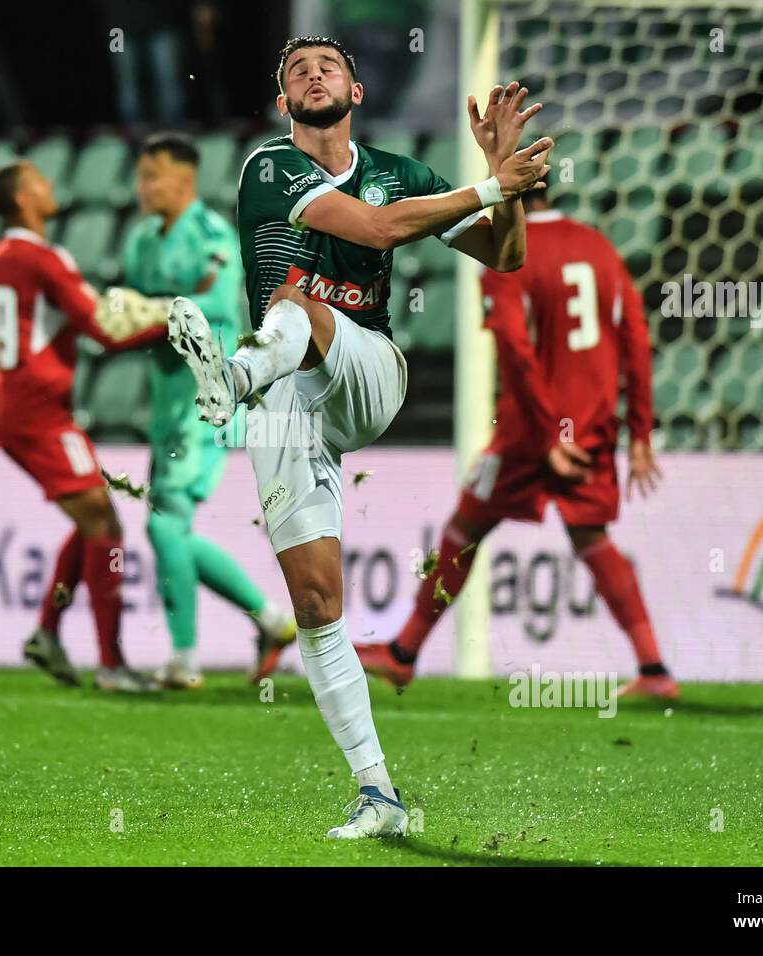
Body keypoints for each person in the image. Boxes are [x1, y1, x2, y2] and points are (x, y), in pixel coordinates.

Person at [166, 35, 550, 837]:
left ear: (357, 90)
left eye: (327, 66)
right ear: (283, 103)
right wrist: (487, 184)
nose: (313, 74)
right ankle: (380, 795)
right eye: (297, 71)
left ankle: (228, 380)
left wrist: (503, 187)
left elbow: (507, 257)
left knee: (296, 304)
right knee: (315, 603)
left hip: (363, 367)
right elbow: (374, 232)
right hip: (288, 404)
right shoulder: (267, 166)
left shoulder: (401, 173)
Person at [355, 184, 678, 701]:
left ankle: (404, 654)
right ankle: (655, 668)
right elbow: (636, 339)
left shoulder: (510, 253)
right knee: (591, 536)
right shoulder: (597, 246)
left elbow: (513, 344)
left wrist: (548, 432)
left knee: (465, 527)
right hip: (592, 427)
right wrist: (639, 431)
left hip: (531, 430)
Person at [0, 160, 172, 693]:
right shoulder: (41, 257)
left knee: (94, 519)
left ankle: (48, 631)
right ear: (23, 200)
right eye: (39, 181)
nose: (50, 185)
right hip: (38, 413)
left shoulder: (4, 256)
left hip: (20, 406)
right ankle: (111, 665)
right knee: (106, 527)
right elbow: (105, 330)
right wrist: (172, 323)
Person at [120, 133, 297, 689]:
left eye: (153, 176)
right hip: (165, 409)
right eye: (140, 176)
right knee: (168, 529)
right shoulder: (141, 240)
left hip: (208, 405)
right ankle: (269, 620)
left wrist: (144, 314)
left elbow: (209, 312)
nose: (142, 187)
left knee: (164, 525)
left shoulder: (213, 236)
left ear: (185, 179)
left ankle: (186, 658)